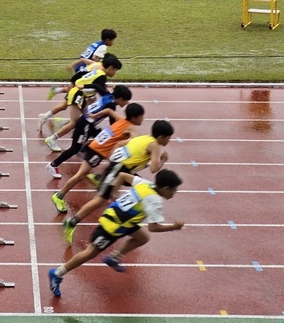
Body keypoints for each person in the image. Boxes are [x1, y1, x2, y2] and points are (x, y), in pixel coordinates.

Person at [48, 169, 184, 297]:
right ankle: (58, 273)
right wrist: (174, 227)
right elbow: (153, 228)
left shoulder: (145, 183)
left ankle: (114, 257)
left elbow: (123, 175)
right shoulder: (155, 201)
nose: (174, 193)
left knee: (142, 238)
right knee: (90, 252)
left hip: (124, 220)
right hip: (112, 226)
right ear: (166, 188)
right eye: (174, 190)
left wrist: (114, 193)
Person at [60, 119, 174, 243]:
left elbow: (120, 144)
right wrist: (163, 159)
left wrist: (113, 161)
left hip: (121, 168)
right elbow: (153, 169)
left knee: (144, 188)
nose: (169, 140)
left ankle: (107, 187)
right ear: (161, 137)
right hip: (119, 170)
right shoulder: (155, 145)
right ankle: (72, 222)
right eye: (168, 138)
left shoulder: (143, 138)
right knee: (100, 199)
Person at [51, 107, 156, 214]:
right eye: (142, 117)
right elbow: (134, 142)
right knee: (81, 175)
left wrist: (94, 115)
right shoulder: (131, 127)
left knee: (107, 169)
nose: (143, 119)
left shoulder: (121, 119)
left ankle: (99, 178)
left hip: (96, 147)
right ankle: (59, 195)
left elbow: (108, 111)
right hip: (98, 151)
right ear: (134, 118)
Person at [40, 54, 122, 152]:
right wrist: (113, 95)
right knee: (75, 123)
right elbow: (101, 90)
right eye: (115, 70)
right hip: (77, 94)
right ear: (110, 68)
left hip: (79, 94)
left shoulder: (98, 71)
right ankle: (52, 139)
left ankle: (61, 122)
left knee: (85, 118)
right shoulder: (101, 76)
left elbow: (85, 80)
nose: (115, 73)